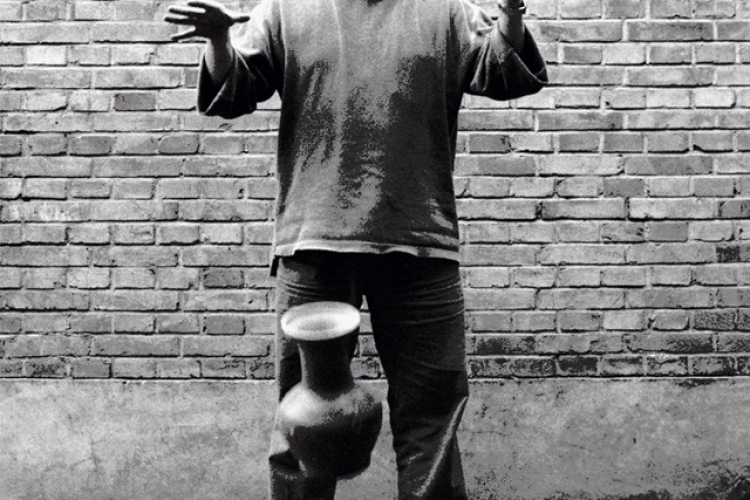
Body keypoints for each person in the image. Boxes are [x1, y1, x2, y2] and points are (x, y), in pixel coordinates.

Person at [165, 0, 547, 498]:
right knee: (304, 422)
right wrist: (219, 40)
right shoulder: (285, 10)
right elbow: (232, 92)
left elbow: (505, 73)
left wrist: (512, 11)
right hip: (315, 244)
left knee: (432, 422)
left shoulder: (447, 11)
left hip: (420, 245)